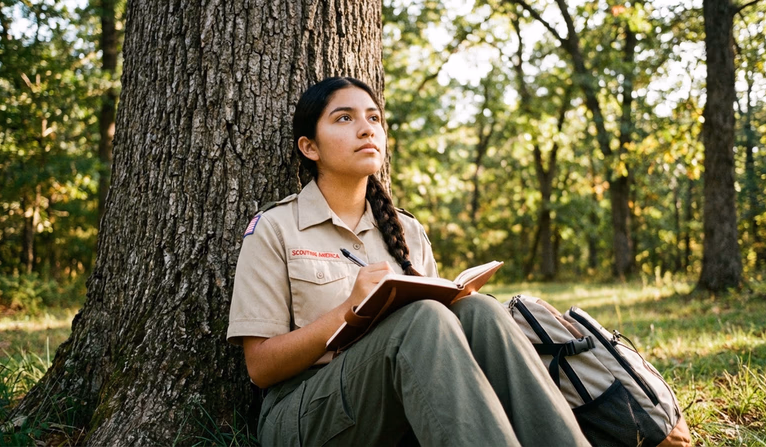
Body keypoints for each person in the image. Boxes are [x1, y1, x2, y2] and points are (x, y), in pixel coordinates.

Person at [228, 76, 590, 446]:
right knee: (422, 319)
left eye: (373, 119)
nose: (366, 129)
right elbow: (260, 367)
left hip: (400, 398)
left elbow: (436, 343)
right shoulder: (276, 227)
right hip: (304, 412)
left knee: (481, 312)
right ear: (310, 147)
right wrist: (348, 311)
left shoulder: (407, 230)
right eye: (344, 119)